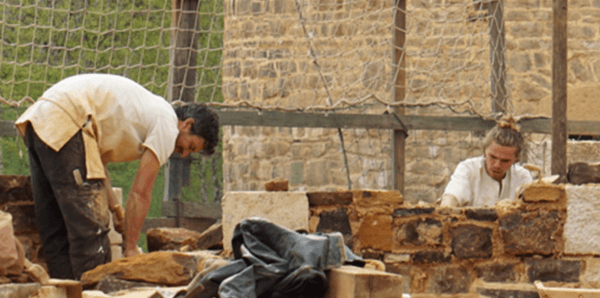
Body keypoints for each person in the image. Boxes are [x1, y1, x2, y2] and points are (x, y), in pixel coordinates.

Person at [14, 73, 220, 280]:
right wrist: (130, 249)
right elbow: (140, 193)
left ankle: (65, 292)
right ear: (187, 124)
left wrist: (115, 210)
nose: (183, 154)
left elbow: (96, 166)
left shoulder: (144, 111)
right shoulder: (168, 124)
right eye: (189, 146)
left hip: (41, 119)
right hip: (68, 119)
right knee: (91, 233)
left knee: (54, 227)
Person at [439, 117, 532, 208]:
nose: (497, 165)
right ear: (484, 150)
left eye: (505, 161)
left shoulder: (522, 177)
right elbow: (452, 196)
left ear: (516, 159)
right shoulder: (468, 169)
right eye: (492, 157)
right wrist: (447, 208)